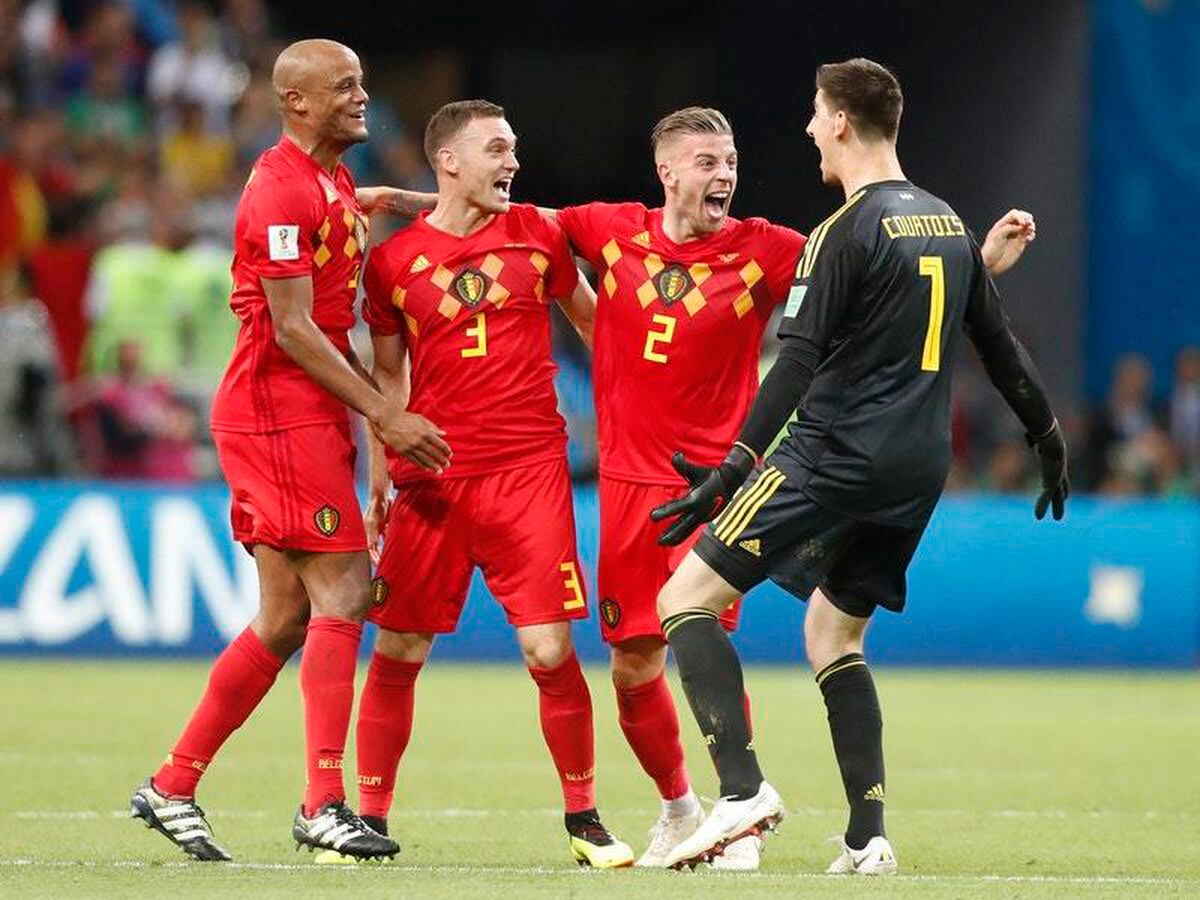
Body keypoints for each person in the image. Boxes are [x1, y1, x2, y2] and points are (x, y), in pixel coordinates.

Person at [367, 106, 1033, 871]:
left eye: (731, 161)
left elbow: (892, 276)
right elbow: (505, 214)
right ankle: (681, 807)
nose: (724, 175)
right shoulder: (607, 229)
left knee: (699, 633)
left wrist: (978, 260)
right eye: (708, 162)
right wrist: (412, 202)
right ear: (668, 173)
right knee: (631, 667)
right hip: (622, 486)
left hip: (712, 485)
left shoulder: (770, 250)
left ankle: (738, 815)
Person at [649, 58, 1069, 872]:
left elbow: (796, 364)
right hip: (916, 471)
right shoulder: (945, 222)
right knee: (833, 632)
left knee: (683, 600)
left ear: (841, 121)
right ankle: (867, 838)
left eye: (815, 113)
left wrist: (731, 469)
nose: (809, 127)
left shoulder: (841, 231)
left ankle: (740, 793)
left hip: (832, 454)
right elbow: (999, 346)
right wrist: (1047, 436)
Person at [128, 39, 447, 863]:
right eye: (344, 86)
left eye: (363, 82)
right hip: (277, 413)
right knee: (345, 589)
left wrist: (425, 203)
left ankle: (171, 784)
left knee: (284, 618)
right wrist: (386, 413)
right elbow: (294, 326)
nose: (362, 96)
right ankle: (323, 802)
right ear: (295, 103)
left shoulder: (329, 179)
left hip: (302, 413)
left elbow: (346, 205)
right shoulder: (277, 189)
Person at [353, 100, 633, 868]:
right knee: (400, 647)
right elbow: (387, 376)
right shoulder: (391, 263)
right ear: (449, 160)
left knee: (549, 651)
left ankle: (584, 818)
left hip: (528, 473)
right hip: (432, 482)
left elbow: (592, 322)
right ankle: (370, 817)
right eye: (497, 149)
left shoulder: (539, 237)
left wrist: (637, 398)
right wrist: (378, 479)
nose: (513, 161)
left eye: (514, 148)